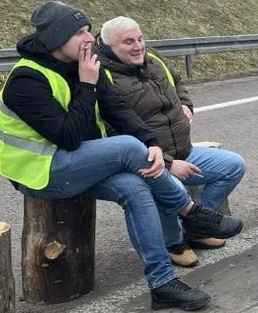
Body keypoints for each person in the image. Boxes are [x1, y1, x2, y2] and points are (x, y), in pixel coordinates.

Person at [0, 1, 237, 312]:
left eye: (88, 30)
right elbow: (67, 137)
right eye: (79, 32)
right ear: (56, 39)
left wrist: (150, 142)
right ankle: (189, 209)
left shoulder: (88, 63)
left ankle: (162, 283)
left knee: (134, 187)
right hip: (43, 173)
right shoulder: (26, 80)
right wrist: (85, 84)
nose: (88, 38)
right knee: (126, 147)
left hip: (82, 164)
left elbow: (118, 110)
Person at [97, 16, 246, 268]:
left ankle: (196, 226)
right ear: (109, 47)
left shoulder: (153, 60)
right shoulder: (103, 78)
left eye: (140, 38)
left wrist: (186, 104)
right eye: (128, 42)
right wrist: (168, 164)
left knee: (233, 166)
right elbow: (115, 134)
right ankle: (173, 242)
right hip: (147, 162)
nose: (138, 46)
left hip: (184, 150)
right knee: (170, 186)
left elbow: (177, 82)